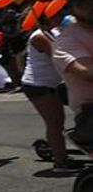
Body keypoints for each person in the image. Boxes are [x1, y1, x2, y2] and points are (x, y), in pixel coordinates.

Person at [21, 11, 76, 172]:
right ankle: (60, 163)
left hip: (52, 84)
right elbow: (59, 56)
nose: (60, 16)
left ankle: (62, 153)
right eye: (56, 14)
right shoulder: (39, 36)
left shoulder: (55, 31)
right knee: (55, 122)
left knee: (60, 120)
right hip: (37, 85)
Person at [52, 0, 93, 147]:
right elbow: (88, 72)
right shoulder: (66, 40)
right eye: (84, 3)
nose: (91, 6)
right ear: (71, 9)